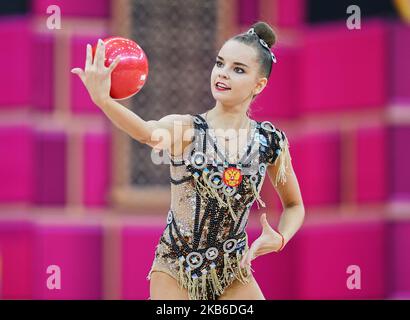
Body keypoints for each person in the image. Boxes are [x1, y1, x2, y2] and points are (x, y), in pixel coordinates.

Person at [71, 21, 305, 300]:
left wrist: (280, 238)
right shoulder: (188, 130)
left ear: (259, 84)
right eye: (220, 64)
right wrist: (105, 102)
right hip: (176, 267)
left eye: (238, 69)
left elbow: (295, 206)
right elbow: (147, 132)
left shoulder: (269, 141)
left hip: (233, 272)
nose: (223, 74)